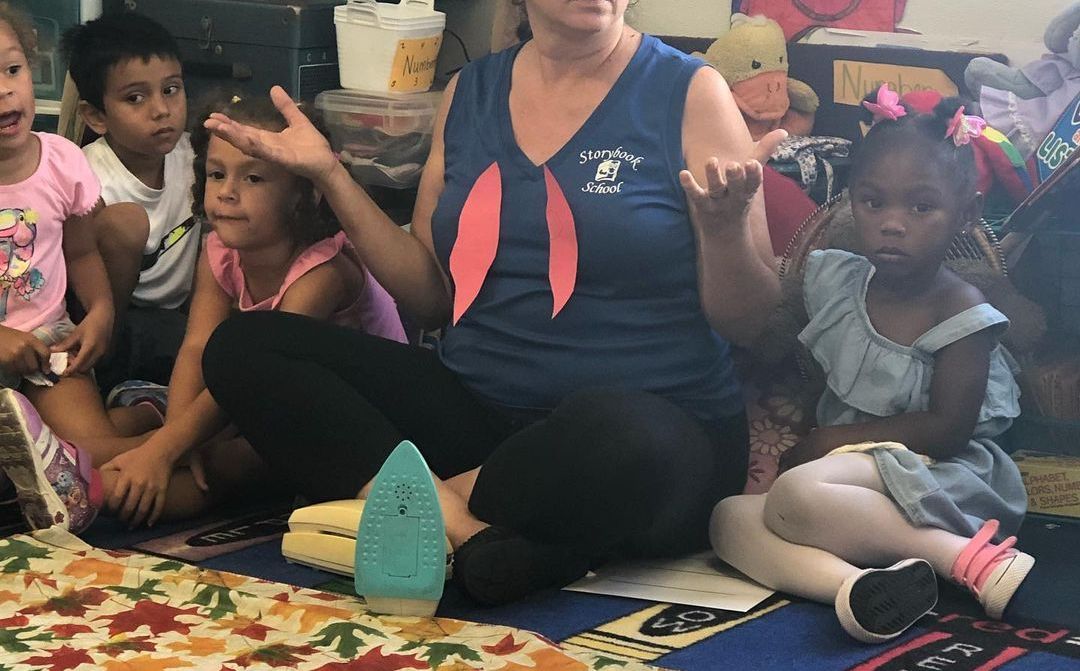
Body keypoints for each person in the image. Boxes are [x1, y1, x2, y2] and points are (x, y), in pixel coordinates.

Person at [201, 0, 783, 606]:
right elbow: (431, 297)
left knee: (626, 438)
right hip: (484, 416)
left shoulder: (691, 91)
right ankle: (470, 532)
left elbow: (752, 322)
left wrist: (724, 230)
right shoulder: (468, 93)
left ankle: (402, 502)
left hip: (647, 438)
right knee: (244, 346)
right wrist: (330, 175)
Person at [710, 85, 1034, 644]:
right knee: (728, 519)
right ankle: (857, 591)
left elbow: (948, 429)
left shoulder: (962, 310)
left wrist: (829, 441)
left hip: (937, 474)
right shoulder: (837, 281)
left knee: (797, 495)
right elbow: (765, 313)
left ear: (964, 215)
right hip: (850, 488)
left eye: (921, 206)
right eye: (873, 201)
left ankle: (967, 560)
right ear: (850, 202)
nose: (891, 222)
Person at [5, 95, 407, 532]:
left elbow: (257, 372)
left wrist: (165, 452)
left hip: (361, 422)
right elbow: (196, 346)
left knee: (220, 464)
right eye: (216, 174)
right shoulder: (220, 249)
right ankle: (56, 475)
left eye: (253, 178)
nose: (227, 192)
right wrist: (176, 440)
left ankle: (86, 495)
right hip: (266, 401)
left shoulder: (323, 273)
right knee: (167, 437)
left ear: (303, 194)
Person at [0, 3, 161, 534]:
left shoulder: (63, 161)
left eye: (13, 70)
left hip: (49, 344)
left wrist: (101, 310)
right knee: (41, 455)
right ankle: (149, 421)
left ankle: (171, 438)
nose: (5, 90)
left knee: (91, 449)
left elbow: (83, 253)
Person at [60, 13, 199, 393]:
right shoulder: (85, 175)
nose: (160, 109)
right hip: (109, 321)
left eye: (171, 89)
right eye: (135, 98)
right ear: (96, 117)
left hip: (181, 314)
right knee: (126, 221)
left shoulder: (195, 157)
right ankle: (104, 370)